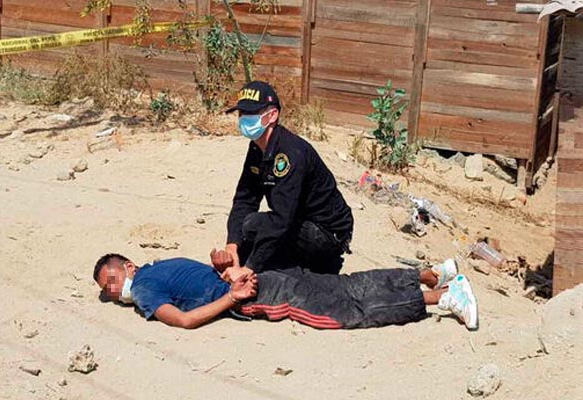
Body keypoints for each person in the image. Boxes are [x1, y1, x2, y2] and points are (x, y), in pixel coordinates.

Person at [93, 253, 478, 331]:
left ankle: (443, 296)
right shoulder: (165, 264)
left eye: (111, 281)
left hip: (257, 295)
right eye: (106, 290)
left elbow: (184, 320)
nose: (112, 292)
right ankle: (431, 275)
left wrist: (232, 298)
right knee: (346, 284)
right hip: (266, 275)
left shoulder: (143, 288)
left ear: (129, 267)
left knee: (345, 312)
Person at [218, 81, 354, 276]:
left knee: (256, 225)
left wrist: (249, 269)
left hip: (327, 232)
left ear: (272, 115)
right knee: (247, 228)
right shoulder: (257, 147)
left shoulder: (290, 153)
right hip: (298, 219)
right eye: (242, 113)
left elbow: (281, 219)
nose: (244, 119)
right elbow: (245, 199)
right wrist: (232, 245)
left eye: (251, 113)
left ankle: (317, 267)